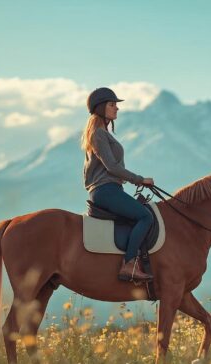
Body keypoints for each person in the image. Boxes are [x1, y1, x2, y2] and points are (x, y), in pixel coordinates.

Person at [82, 87, 154, 281]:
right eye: (112, 105)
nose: (117, 109)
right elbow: (112, 167)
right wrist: (140, 179)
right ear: (100, 108)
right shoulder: (98, 134)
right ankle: (129, 265)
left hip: (110, 189)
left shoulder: (103, 134)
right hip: (106, 191)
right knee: (145, 217)